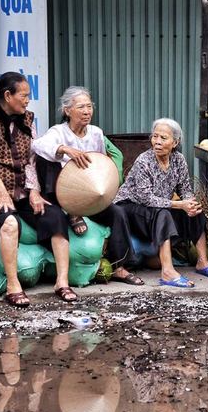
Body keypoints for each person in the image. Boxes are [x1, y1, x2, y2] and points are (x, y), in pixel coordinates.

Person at [0, 72, 77, 307]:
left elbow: (31, 160)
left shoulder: (28, 119)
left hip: (22, 191)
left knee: (56, 216)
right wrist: (1, 193)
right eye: (24, 95)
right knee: (10, 224)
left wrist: (34, 191)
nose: (28, 100)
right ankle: (12, 285)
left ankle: (62, 281)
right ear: (8, 95)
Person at [32, 86, 144, 285]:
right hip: (64, 195)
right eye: (81, 107)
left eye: (89, 106)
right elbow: (37, 146)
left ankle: (119, 267)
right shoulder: (58, 132)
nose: (87, 111)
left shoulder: (96, 133)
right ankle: (71, 211)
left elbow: (100, 163)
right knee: (48, 162)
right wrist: (64, 150)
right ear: (67, 110)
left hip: (90, 195)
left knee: (117, 213)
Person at [114, 118, 208, 288]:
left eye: (163, 138)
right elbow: (146, 198)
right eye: (154, 136)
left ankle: (202, 262)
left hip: (157, 206)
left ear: (175, 142)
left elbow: (184, 188)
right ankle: (167, 272)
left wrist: (190, 204)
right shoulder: (144, 161)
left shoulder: (178, 160)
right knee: (163, 214)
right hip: (130, 206)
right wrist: (180, 205)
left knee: (196, 212)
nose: (157, 142)